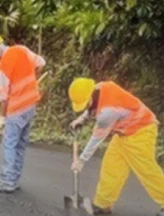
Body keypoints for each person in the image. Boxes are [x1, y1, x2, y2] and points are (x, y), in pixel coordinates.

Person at [68, 78, 164, 215]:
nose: (84, 107)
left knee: (147, 170)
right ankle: (103, 204)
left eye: (84, 103)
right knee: (111, 166)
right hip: (124, 133)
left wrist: (81, 161)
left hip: (141, 130)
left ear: (90, 94)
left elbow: (96, 138)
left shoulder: (108, 113)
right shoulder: (99, 87)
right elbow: (93, 105)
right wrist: (82, 118)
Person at [0, 33, 45, 193]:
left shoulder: (3, 65)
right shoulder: (21, 49)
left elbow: (3, 96)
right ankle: (14, 179)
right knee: (21, 145)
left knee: (10, 144)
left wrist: (2, 117)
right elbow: (41, 63)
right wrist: (30, 79)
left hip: (16, 108)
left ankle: (7, 181)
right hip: (30, 104)